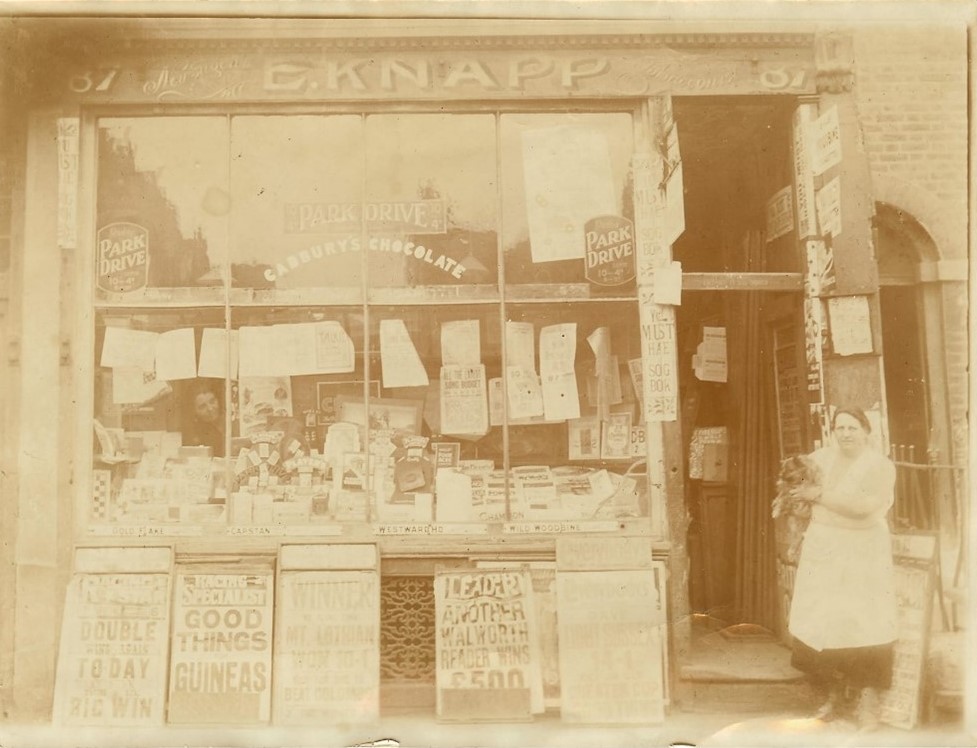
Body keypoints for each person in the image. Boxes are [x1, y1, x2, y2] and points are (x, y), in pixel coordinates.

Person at [787, 406, 897, 731]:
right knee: (823, 622)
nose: (846, 434)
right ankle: (833, 696)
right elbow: (796, 484)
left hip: (862, 551)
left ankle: (868, 704)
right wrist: (798, 499)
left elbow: (865, 507)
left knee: (865, 623)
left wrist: (818, 494)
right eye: (840, 428)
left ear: (866, 430)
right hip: (824, 549)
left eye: (852, 428)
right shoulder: (820, 459)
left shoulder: (879, 466)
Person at [182, 381, 226, 457]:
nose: (210, 409)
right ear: (194, 411)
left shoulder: (231, 421)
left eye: (212, 401)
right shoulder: (196, 436)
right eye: (203, 406)